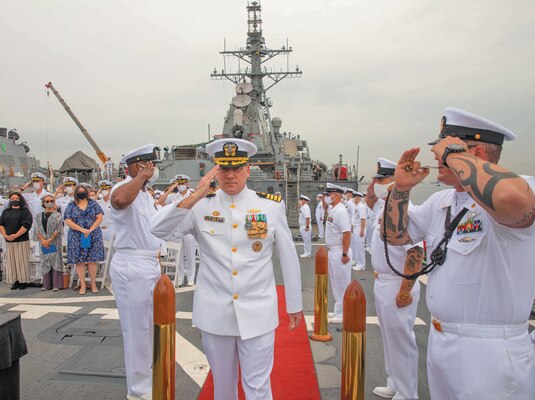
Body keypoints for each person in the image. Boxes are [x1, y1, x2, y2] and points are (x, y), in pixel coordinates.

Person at [384, 107, 535, 399]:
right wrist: (400, 191)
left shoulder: (521, 185)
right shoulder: (441, 201)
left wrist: (455, 155)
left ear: (475, 151)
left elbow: (512, 200)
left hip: (490, 354)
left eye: (443, 150)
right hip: (442, 344)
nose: (436, 158)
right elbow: (396, 236)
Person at [150, 138, 303, 400]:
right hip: (215, 313)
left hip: (258, 312)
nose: (230, 175)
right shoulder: (201, 205)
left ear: (247, 169)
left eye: (236, 168)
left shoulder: (270, 205)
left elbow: (288, 255)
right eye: (223, 168)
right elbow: (158, 229)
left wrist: (294, 304)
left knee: (258, 388)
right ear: (215, 171)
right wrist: (195, 195)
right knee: (223, 387)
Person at [109, 144, 163, 400]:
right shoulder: (121, 189)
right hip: (131, 265)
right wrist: (140, 177)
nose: (153, 169)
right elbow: (119, 202)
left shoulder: (146, 195)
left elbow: (151, 233)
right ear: (136, 167)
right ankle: (139, 393)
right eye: (148, 165)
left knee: (149, 330)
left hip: (149, 264)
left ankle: (148, 384)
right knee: (136, 332)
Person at [367, 158, 423, 399]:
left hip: (398, 282)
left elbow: (417, 251)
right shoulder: (382, 206)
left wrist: (405, 290)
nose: (375, 184)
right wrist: (375, 184)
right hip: (382, 281)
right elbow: (370, 199)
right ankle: (394, 382)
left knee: (402, 341)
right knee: (389, 338)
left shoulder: (407, 209)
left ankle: (408, 393)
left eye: (381, 179)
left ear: (394, 181)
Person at [64, 185, 105, 295]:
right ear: (76, 193)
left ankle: (93, 283)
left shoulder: (93, 204)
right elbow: (67, 220)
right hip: (76, 235)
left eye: (83, 191)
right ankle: (82, 284)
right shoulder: (71, 205)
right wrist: (82, 229)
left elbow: (100, 217)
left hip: (93, 234)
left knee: (92, 260)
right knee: (80, 261)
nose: (81, 193)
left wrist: (90, 229)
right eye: (79, 191)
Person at [324, 183, 352, 324]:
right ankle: (337, 310)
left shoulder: (340, 211)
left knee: (342, 283)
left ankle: (343, 314)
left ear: (336, 195)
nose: (327, 197)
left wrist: (345, 253)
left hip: (340, 250)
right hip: (333, 250)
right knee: (335, 282)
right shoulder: (334, 209)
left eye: (328, 195)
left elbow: (347, 233)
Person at [164, 174, 198, 286]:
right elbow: (162, 201)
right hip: (177, 230)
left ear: (187, 184)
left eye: (183, 183)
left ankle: (190, 277)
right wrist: (171, 189)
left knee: (190, 255)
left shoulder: (192, 195)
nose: (181, 186)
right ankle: (180, 277)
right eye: (179, 184)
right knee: (178, 255)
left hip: (189, 230)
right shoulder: (173, 197)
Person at [0, 192, 33, 290]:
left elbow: (26, 225)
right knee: (12, 262)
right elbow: (1, 224)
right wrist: (5, 235)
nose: (14, 200)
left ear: (20, 199)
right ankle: (15, 281)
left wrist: (16, 235)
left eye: (16, 198)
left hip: (21, 240)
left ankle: (23, 281)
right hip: (8, 240)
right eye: (12, 198)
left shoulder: (25, 211)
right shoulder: (6, 211)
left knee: (21, 261)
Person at [33, 194, 63, 291]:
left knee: (55, 262)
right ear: (43, 203)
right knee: (45, 262)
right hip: (43, 242)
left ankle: (56, 285)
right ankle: (46, 284)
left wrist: (49, 240)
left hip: (54, 242)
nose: (49, 203)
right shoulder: (38, 216)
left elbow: (58, 229)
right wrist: (43, 240)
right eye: (47, 201)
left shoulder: (57, 215)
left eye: (51, 201)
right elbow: (37, 229)